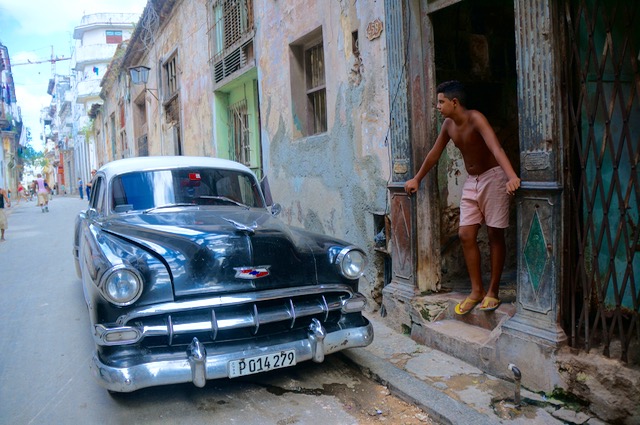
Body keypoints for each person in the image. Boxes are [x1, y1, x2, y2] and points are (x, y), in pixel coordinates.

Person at [404, 80, 521, 315]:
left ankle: (493, 292)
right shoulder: (448, 125)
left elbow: (496, 148)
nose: (438, 106)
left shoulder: (476, 118)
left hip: (493, 177)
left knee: (494, 233)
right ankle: (476, 291)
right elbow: (434, 155)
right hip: (472, 181)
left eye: (441, 102)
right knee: (466, 234)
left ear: (454, 102)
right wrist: (417, 178)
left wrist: (511, 176)